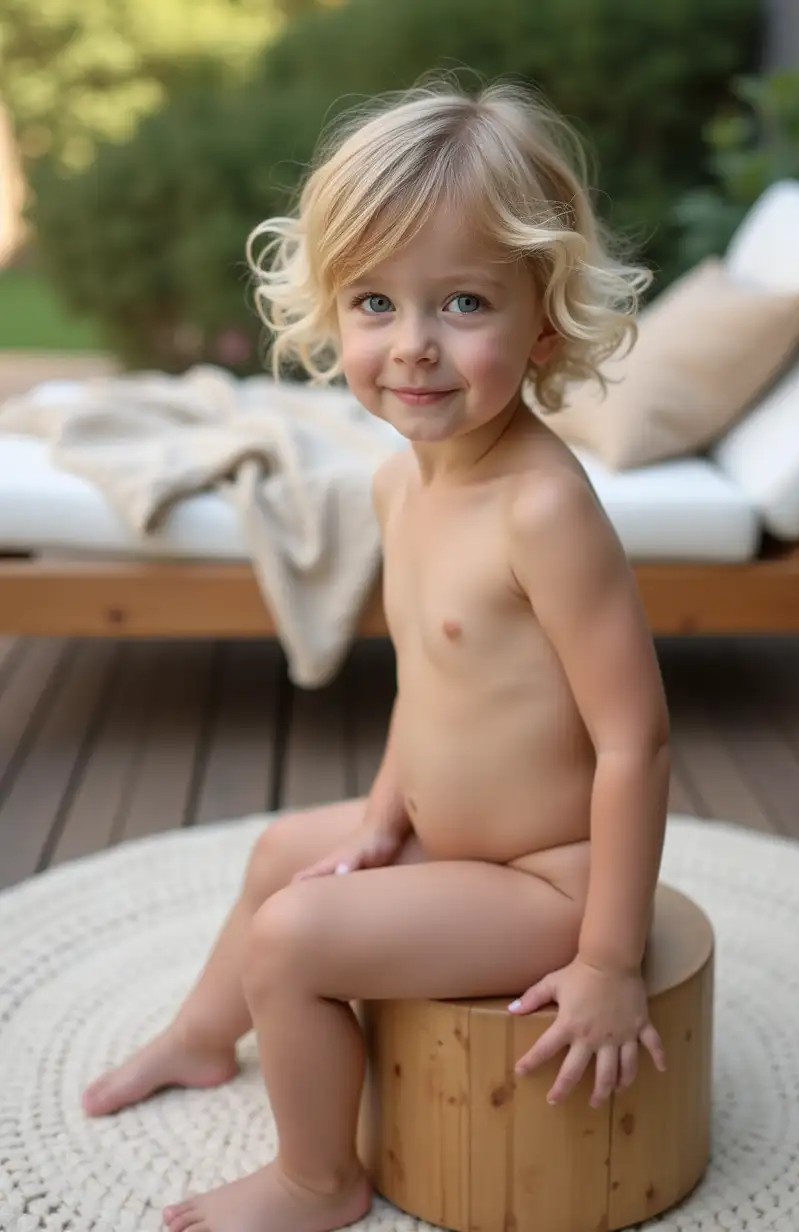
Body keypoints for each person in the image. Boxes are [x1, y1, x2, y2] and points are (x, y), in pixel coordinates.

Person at [81, 76, 671, 1232]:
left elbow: (635, 737)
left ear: (542, 318)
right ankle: (208, 1035)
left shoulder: (541, 510)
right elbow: (431, 677)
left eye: (460, 302)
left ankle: (319, 1177)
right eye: (373, 302)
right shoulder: (395, 480)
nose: (412, 348)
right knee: (279, 857)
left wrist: (608, 957)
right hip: (456, 841)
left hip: (551, 883)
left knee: (296, 938)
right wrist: (382, 811)